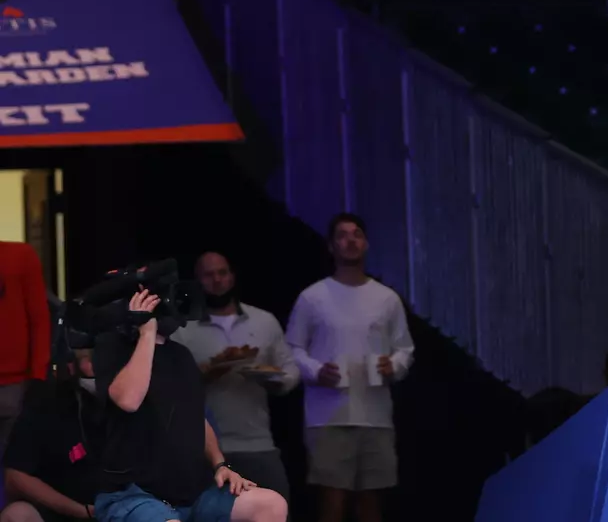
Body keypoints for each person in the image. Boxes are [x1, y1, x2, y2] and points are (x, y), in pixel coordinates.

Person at [93, 288, 286, 522]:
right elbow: (128, 400)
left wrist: (219, 465)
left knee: (271, 505)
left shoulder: (181, 355)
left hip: (192, 492)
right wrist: (146, 334)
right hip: (133, 493)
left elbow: (195, 416)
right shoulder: (112, 346)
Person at [285, 214, 414, 522]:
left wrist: (392, 365)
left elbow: (405, 349)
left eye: (357, 234)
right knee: (332, 504)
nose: (351, 240)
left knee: (371, 504)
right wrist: (317, 371)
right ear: (331, 246)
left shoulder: (386, 298)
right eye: (343, 235)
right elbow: (291, 348)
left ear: (366, 243)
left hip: (376, 415)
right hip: (328, 415)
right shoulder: (313, 297)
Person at [174, 253, 299, 501]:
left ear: (232, 277)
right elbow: (171, 387)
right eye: (208, 275)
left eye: (222, 272)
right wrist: (207, 374)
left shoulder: (264, 320)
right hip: (207, 450)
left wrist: (273, 380)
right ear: (197, 281)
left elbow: (291, 369)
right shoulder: (184, 329)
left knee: (275, 511)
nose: (217, 280)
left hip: (258, 443)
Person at [2, 345, 102, 522]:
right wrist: (80, 511)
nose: (89, 366)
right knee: (17, 515)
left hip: (129, 508)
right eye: (85, 357)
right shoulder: (46, 402)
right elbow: (15, 477)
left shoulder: (140, 400)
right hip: (66, 510)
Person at [0, 240, 50, 453]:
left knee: (13, 465)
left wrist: (38, 376)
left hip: (16, 384)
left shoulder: (20, 255)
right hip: (16, 384)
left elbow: (39, 319)